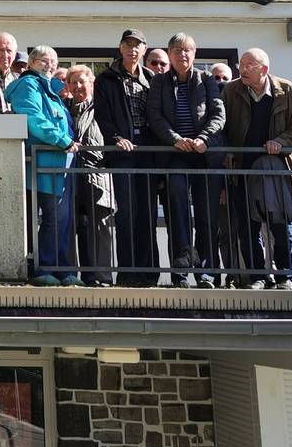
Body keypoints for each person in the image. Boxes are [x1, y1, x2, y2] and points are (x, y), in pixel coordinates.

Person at [222, 48, 292, 290]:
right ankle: (257, 277)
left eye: (249, 65)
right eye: (241, 64)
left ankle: (285, 276)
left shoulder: (288, 91)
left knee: (281, 223)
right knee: (247, 226)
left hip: (278, 168)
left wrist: (280, 142)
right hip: (243, 168)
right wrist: (229, 151)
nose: (242, 69)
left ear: (264, 69)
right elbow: (221, 126)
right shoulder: (230, 91)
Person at [146, 33, 226, 288]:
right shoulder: (159, 82)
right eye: (177, 50)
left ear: (195, 53)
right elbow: (155, 116)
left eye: (187, 50)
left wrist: (204, 139)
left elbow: (218, 114)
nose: (183, 54)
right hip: (175, 155)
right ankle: (180, 271)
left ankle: (207, 274)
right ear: (169, 54)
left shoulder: (206, 80)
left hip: (204, 155)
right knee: (176, 205)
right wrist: (174, 139)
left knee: (206, 216)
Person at [7, 53, 82, 286]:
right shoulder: (28, 84)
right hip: (45, 161)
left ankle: (62, 269)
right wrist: (62, 140)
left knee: (62, 219)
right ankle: (43, 268)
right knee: (52, 217)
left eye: (54, 60)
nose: (50, 64)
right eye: (43, 59)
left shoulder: (50, 89)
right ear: (30, 64)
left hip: (61, 163)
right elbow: (33, 118)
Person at [94, 28, 159, 287]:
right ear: (120, 48)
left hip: (148, 153)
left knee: (147, 213)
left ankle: (148, 272)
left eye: (138, 45)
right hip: (122, 153)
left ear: (144, 50)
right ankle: (128, 272)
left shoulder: (152, 79)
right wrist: (115, 138)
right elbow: (102, 115)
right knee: (126, 214)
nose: (133, 49)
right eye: (128, 44)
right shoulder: (106, 79)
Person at [67, 64, 115, 287]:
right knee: (69, 226)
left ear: (91, 84)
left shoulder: (102, 107)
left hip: (97, 174)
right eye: (73, 82)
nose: (78, 86)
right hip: (69, 177)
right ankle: (71, 276)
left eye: (82, 82)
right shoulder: (64, 108)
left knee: (100, 227)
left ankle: (102, 277)